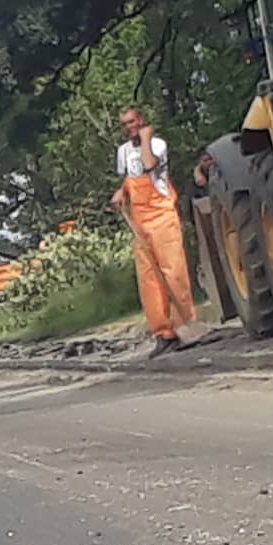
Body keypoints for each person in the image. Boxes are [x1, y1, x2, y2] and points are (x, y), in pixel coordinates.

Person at [110, 106, 200, 357]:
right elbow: (129, 178)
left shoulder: (157, 144)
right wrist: (122, 192)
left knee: (173, 272)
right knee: (149, 279)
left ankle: (185, 325)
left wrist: (146, 138)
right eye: (125, 124)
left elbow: (150, 165)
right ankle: (163, 333)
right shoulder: (123, 152)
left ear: (142, 120)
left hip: (162, 216)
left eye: (133, 122)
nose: (130, 128)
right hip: (139, 220)